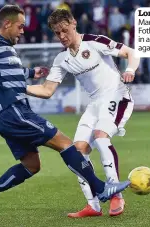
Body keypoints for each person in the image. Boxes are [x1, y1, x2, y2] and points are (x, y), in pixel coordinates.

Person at [0, 5, 130, 221]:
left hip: (6, 115)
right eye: (20, 26)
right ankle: (102, 188)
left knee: (31, 165)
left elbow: (7, 72)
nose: (23, 31)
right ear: (7, 24)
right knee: (65, 143)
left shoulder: (4, 47)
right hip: (13, 111)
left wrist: (32, 73)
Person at [26, 9, 140, 218]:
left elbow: (131, 52)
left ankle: (116, 195)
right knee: (77, 151)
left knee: (100, 136)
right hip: (95, 104)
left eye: (64, 30)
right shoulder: (61, 59)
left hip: (117, 96)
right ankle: (93, 206)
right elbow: (46, 90)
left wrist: (130, 70)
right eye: (57, 33)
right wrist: (18, 88)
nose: (61, 36)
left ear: (73, 23)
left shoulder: (95, 42)